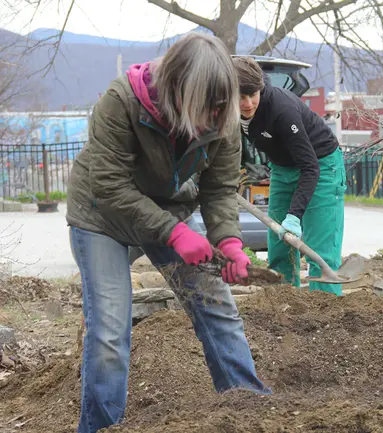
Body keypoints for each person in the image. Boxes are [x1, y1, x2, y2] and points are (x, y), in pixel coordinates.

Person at [65, 33, 270, 433]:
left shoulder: (221, 112)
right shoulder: (122, 101)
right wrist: (175, 234)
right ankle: (102, 428)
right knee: (109, 333)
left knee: (217, 307)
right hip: (101, 216)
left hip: (168, 209)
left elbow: (220, 186)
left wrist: (227, 240)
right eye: (205, 110)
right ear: (176, 91)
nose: (214, 121)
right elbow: (109, 185)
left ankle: (250, 415)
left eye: (219, 111)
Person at [232, 56, 347, 296]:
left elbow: (310, 167)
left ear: (260, 88)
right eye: (240, 97)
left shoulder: (281, 110)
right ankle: (283, 308)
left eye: (252, 94)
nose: (247, 103)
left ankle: (326, 311)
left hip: (321, 166)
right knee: (278, 247)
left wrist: (294, 216)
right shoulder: (227, 110)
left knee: (318, 249)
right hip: (282, 169)